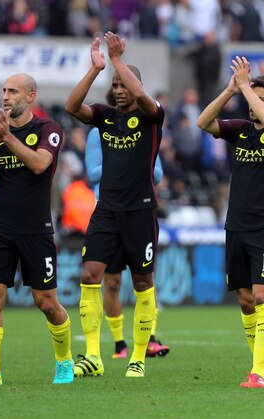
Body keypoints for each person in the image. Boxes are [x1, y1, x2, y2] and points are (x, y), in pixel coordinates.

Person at [65, 32, 165, 378]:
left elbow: (143, 97)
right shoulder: (106, 117)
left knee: (141, 283)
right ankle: (93, 355)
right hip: (105, 211)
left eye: (124, 85)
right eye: (115, 85)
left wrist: (119, 60)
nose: (119, 90)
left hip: (140, 212)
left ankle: (138, 355)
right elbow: (71, 107)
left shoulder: (153, 117)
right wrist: (96, 69)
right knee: (90, 275)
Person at [0, 73, 74, 385]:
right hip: (0, 226)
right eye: (3, 90)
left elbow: (40, 164)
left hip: (36, 229)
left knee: (46, 303)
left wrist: (7, 138)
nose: (5, 97)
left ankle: (64, 362)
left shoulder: (47, 129)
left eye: (12, 91)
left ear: (30, 96)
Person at [197, 56, 264, 388]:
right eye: (252, 99)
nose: (253, 107)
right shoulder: (239, 130)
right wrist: (230, 90)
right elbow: (203, 122)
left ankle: (256, 372)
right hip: (235, 226)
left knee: (263, 294)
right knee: (244, 299)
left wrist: (245, 87)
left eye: (262, 100)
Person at [85, 90, 169, 359]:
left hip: (138, 208)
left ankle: (150, 339)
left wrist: (135, 161)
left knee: (145, 279)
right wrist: (121, 161)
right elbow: (92, 171)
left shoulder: (147, 125)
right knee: (110, 282)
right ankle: (119, 343)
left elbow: (157, 172)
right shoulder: (98, 130)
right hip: (108, 209)